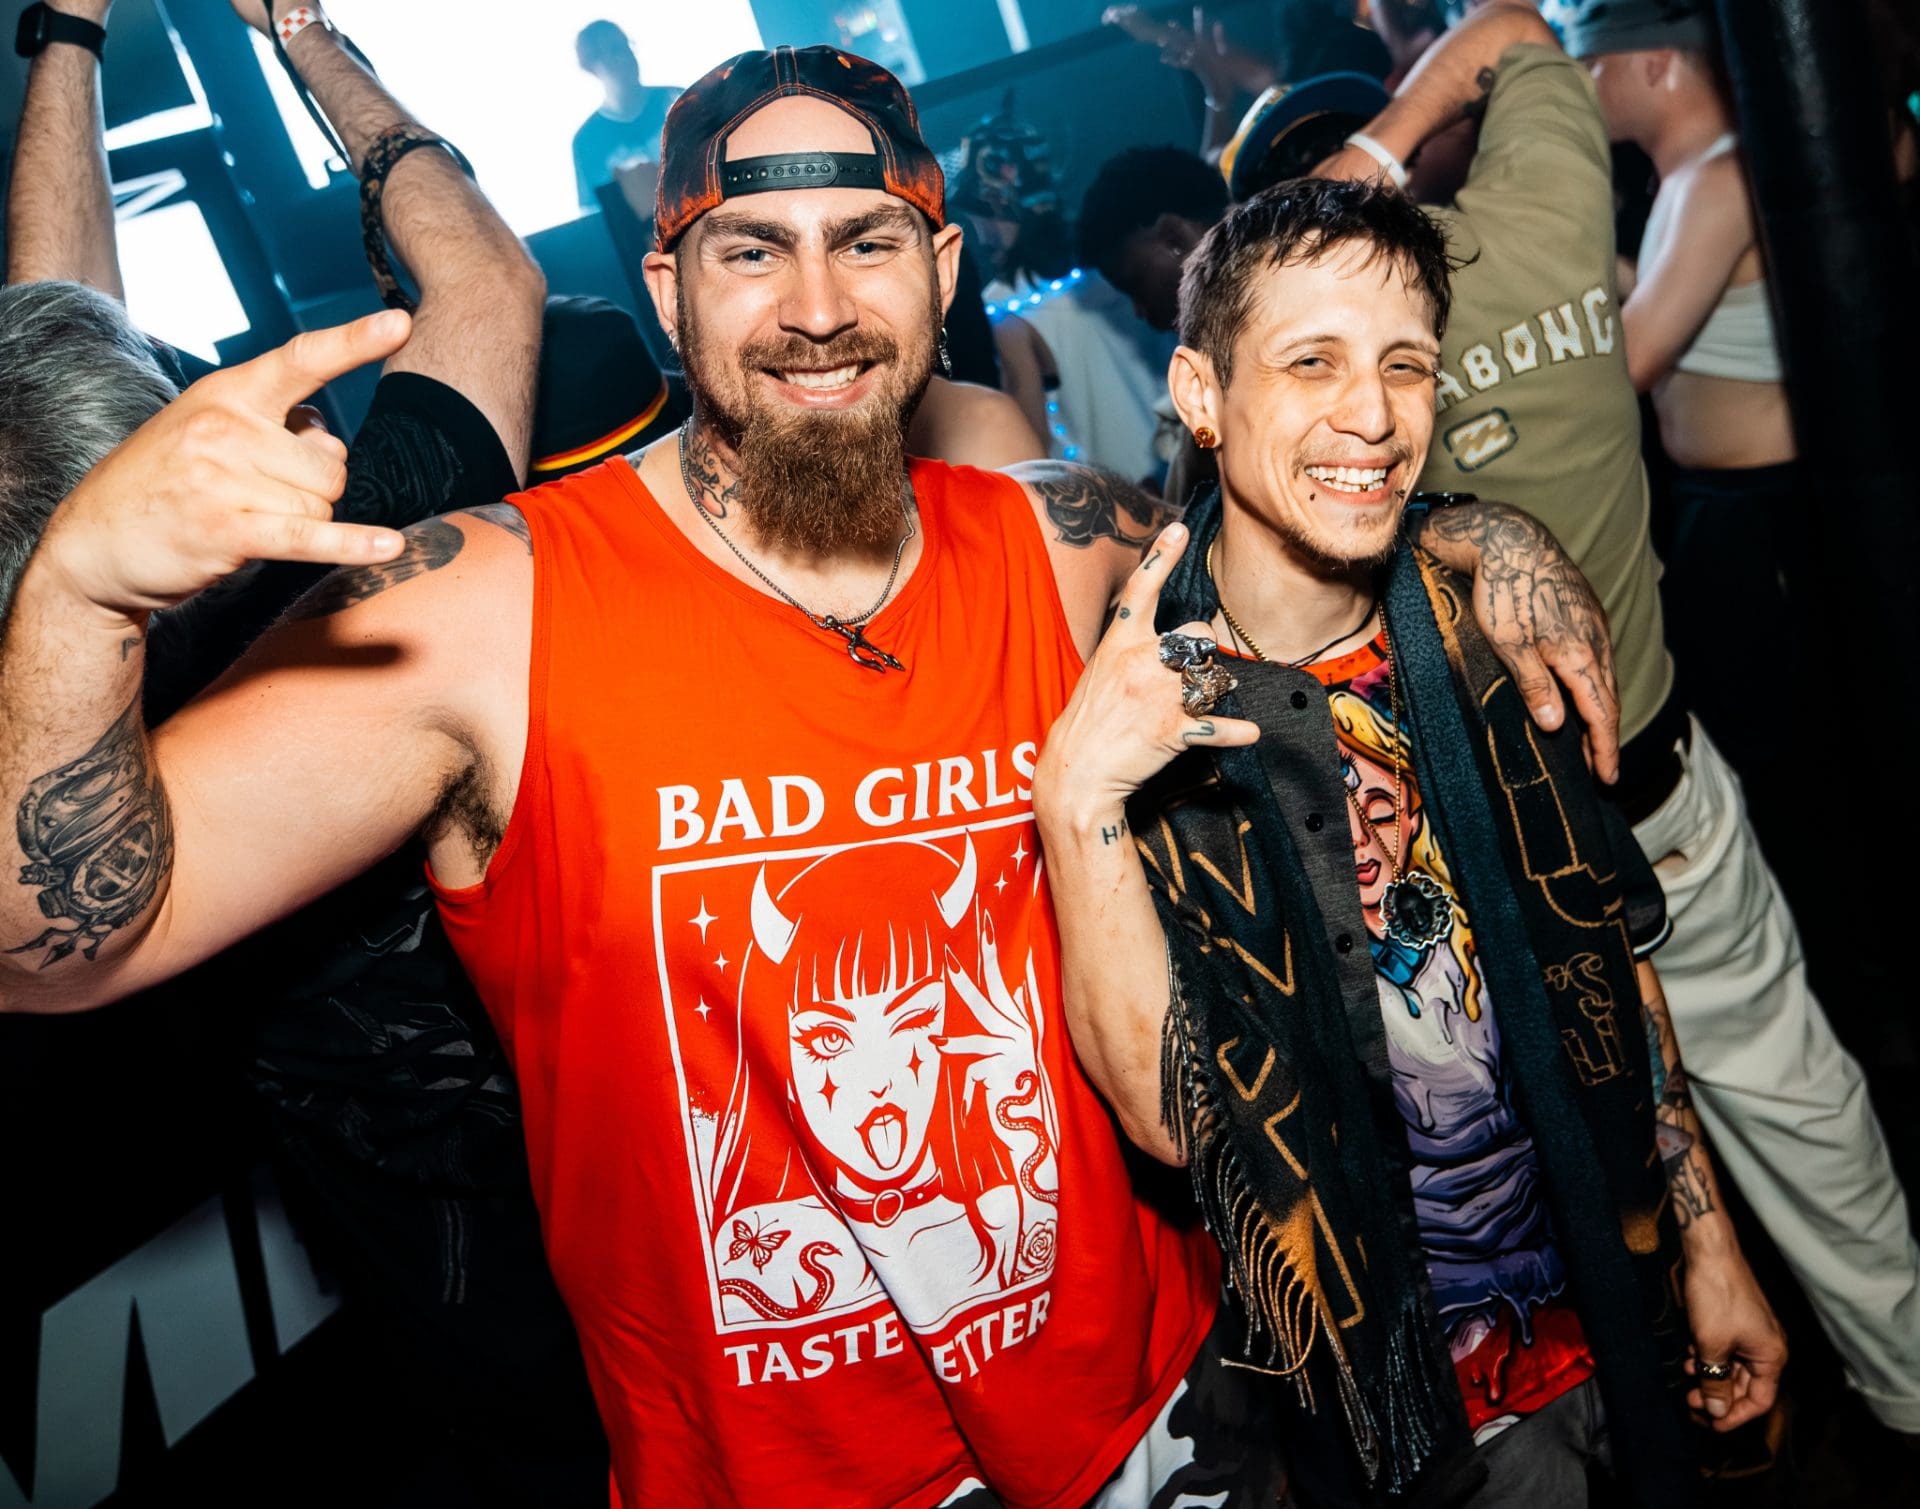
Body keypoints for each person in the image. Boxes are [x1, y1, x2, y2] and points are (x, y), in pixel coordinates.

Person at [0, 45, 1623, 1506]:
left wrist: (1473, 530)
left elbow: (1287, 544)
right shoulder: (486, 608)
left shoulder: (1055, 540)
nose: (819, 305)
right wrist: (79, 592)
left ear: (942, 267)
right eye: (751, 248)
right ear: (667, 282)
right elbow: (49, 940)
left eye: (867, 241)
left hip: (1180, 1420)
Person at [1035, 175, 1784, 1508]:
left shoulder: (1484, 629)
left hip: (1621, 1309)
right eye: (1310, 362)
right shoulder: (1150, 714)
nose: (1374, 415)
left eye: (1405, 365)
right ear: (1202, 395)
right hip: (1407, 1414)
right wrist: (1079, 799)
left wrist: (1709, 1247)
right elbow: (1173, 1122)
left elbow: (1606, 955)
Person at [0, 6, 614, 1503]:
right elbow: (487, 277)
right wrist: (311, 40)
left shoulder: (38, 731)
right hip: (628, 1222)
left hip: (445, 1297)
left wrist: (69, 34)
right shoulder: (370, 555)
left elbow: (49, 366)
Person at [1313, 0, 1920, 1442]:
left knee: (1565, 1185)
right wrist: (1411, 114)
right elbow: (1520, 32)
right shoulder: (1550, 215)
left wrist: (1355, 172)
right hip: (1652, 780)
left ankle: (1680, 1419)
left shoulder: (1336, 371)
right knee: (1792, 1091)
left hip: (1499, 859)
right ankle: (1905, 1380)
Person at [573, 19, 681, 212]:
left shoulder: (678, 100)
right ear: (591, 66)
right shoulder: (586, 142)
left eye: (625, 46)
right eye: (614, 50)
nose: (625, 57)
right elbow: (596, 216)